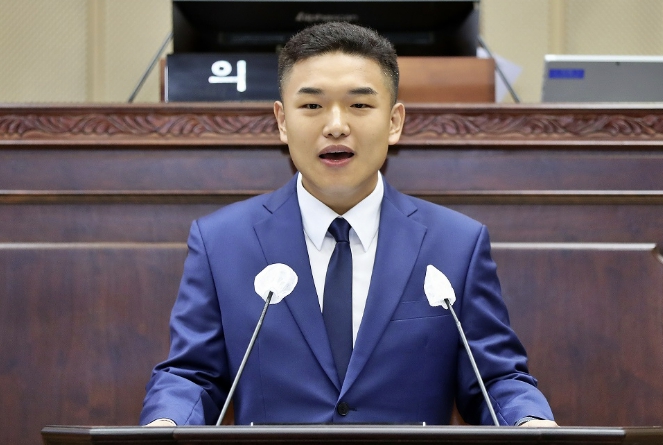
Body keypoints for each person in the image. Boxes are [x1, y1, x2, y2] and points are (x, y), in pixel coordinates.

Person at [140, 21, 557, 428]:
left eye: (359, 105)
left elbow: (493, 379)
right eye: (312, 106)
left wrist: (528, 421)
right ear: (282, 121)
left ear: (394, 122)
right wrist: (166, 423)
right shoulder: (222, 242)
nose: (336, 126)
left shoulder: (456, 244)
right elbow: (193, 375)